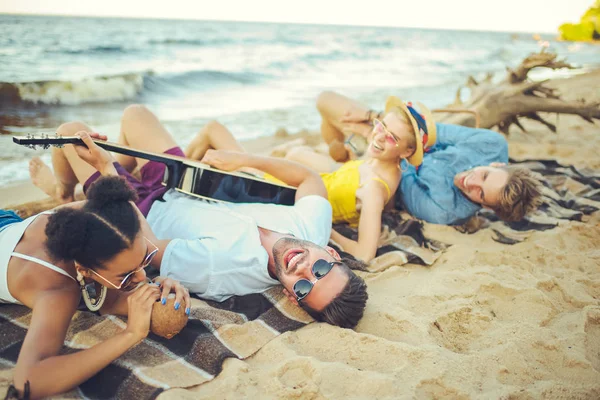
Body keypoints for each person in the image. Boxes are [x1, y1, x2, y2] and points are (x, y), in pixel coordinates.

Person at [30, 105, 369, 329]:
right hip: (183, 181)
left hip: (138, 207)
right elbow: (309, 179)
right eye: (321, 268)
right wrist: (245, 159)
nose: (304, 269)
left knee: (71, 132)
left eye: (307, 285)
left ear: (292, 296)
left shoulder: (221, 269)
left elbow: (148, 247)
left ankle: (63, 189)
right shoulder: (313, 229)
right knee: (136, 115)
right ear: (333, 255)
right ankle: (115, 168)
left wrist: (107, 170)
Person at [3, 132, 190, 399]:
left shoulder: (102, 217)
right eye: (126, 275)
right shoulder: (58, 290)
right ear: (84, 271)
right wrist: (130, 334)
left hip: (9, 222)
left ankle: (58, 189)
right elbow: (28, 382)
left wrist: (105, 165)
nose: (143, 277)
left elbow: (122, 199)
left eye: (144, 260)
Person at [183, 96, 436, 262]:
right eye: (381, 126)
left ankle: (169, 182)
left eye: (392, 137)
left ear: (406, 152)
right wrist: (366, 123)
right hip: (302, 182)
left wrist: (329, 231)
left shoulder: (373, 189)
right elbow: (325, 100)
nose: (379, 136)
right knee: (294, 151)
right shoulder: (387, 165)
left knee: (212, 131)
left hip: (283, 192)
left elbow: (364, 254)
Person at [315, 91, 543, 225]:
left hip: (388, 164)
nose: (470, 182)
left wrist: (374, 135)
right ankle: (343, 149)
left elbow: (402, 176)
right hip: (402, 141)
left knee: (336, 126)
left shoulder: (445, 211)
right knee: (325, 101)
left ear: (486, 207)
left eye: (480, 193)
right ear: (497, 164)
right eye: (484, 175)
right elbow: (431, 133)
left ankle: (345, 152)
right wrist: (373, 118)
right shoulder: (493, 145)